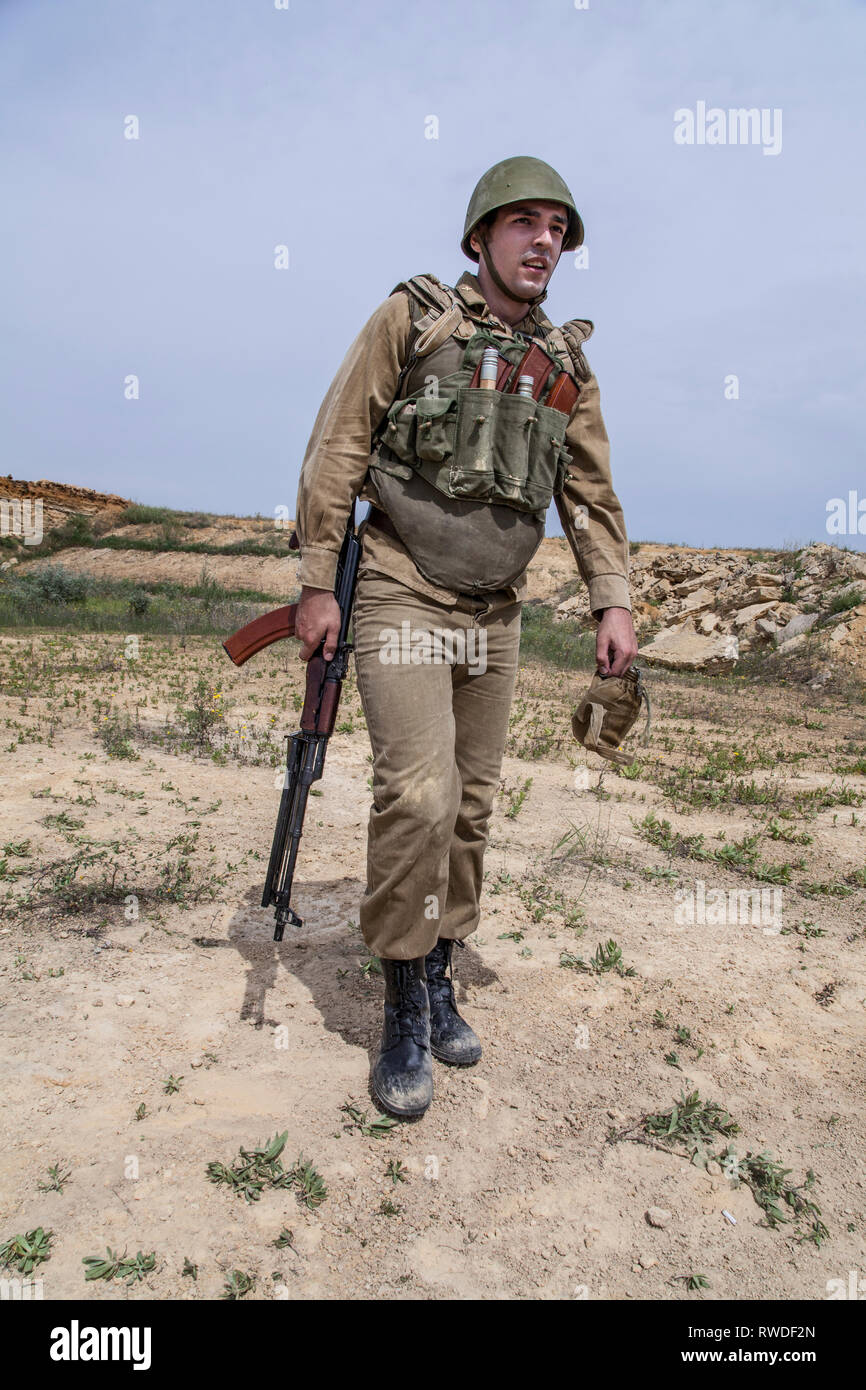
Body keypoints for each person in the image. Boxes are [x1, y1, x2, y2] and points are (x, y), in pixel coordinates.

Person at [294, 156, 637, 1117]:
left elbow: (590, 494)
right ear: (480, 235)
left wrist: (615, 599)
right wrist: (318, 581)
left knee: (474, 804)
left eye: (558, 229)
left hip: (498, 608)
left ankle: (441, 964)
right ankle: (403, 996)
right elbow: (338, 447)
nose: (543, 242)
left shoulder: (566, 368)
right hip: (402, 587)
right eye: (524, 222)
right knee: (420, 790)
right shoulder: (413, 320)